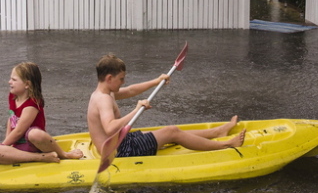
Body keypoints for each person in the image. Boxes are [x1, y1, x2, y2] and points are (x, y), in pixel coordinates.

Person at [87, 53, 245, 160]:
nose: (123, 82)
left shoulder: (104, 92)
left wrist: (157, 81)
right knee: (172, 131)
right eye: (121, 79)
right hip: (120, 152)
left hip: (121, 142)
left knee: (165, 132)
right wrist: (135, 110)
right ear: (109, 78)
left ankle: (218, 131)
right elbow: (109, 127)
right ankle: (227, 144)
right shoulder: (104, 100)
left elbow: (131, 90)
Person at [0, 62, 84, 164]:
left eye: (14, 80)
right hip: (19, 147)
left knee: (34, 134)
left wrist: (3, 146)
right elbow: (11, 119)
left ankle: (64, 155)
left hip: (34, 144)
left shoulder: (32, 104)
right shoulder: (13, 96)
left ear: (27, 84)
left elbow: (19, 131)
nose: (9, 82)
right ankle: (40, 157)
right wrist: (5, 146)